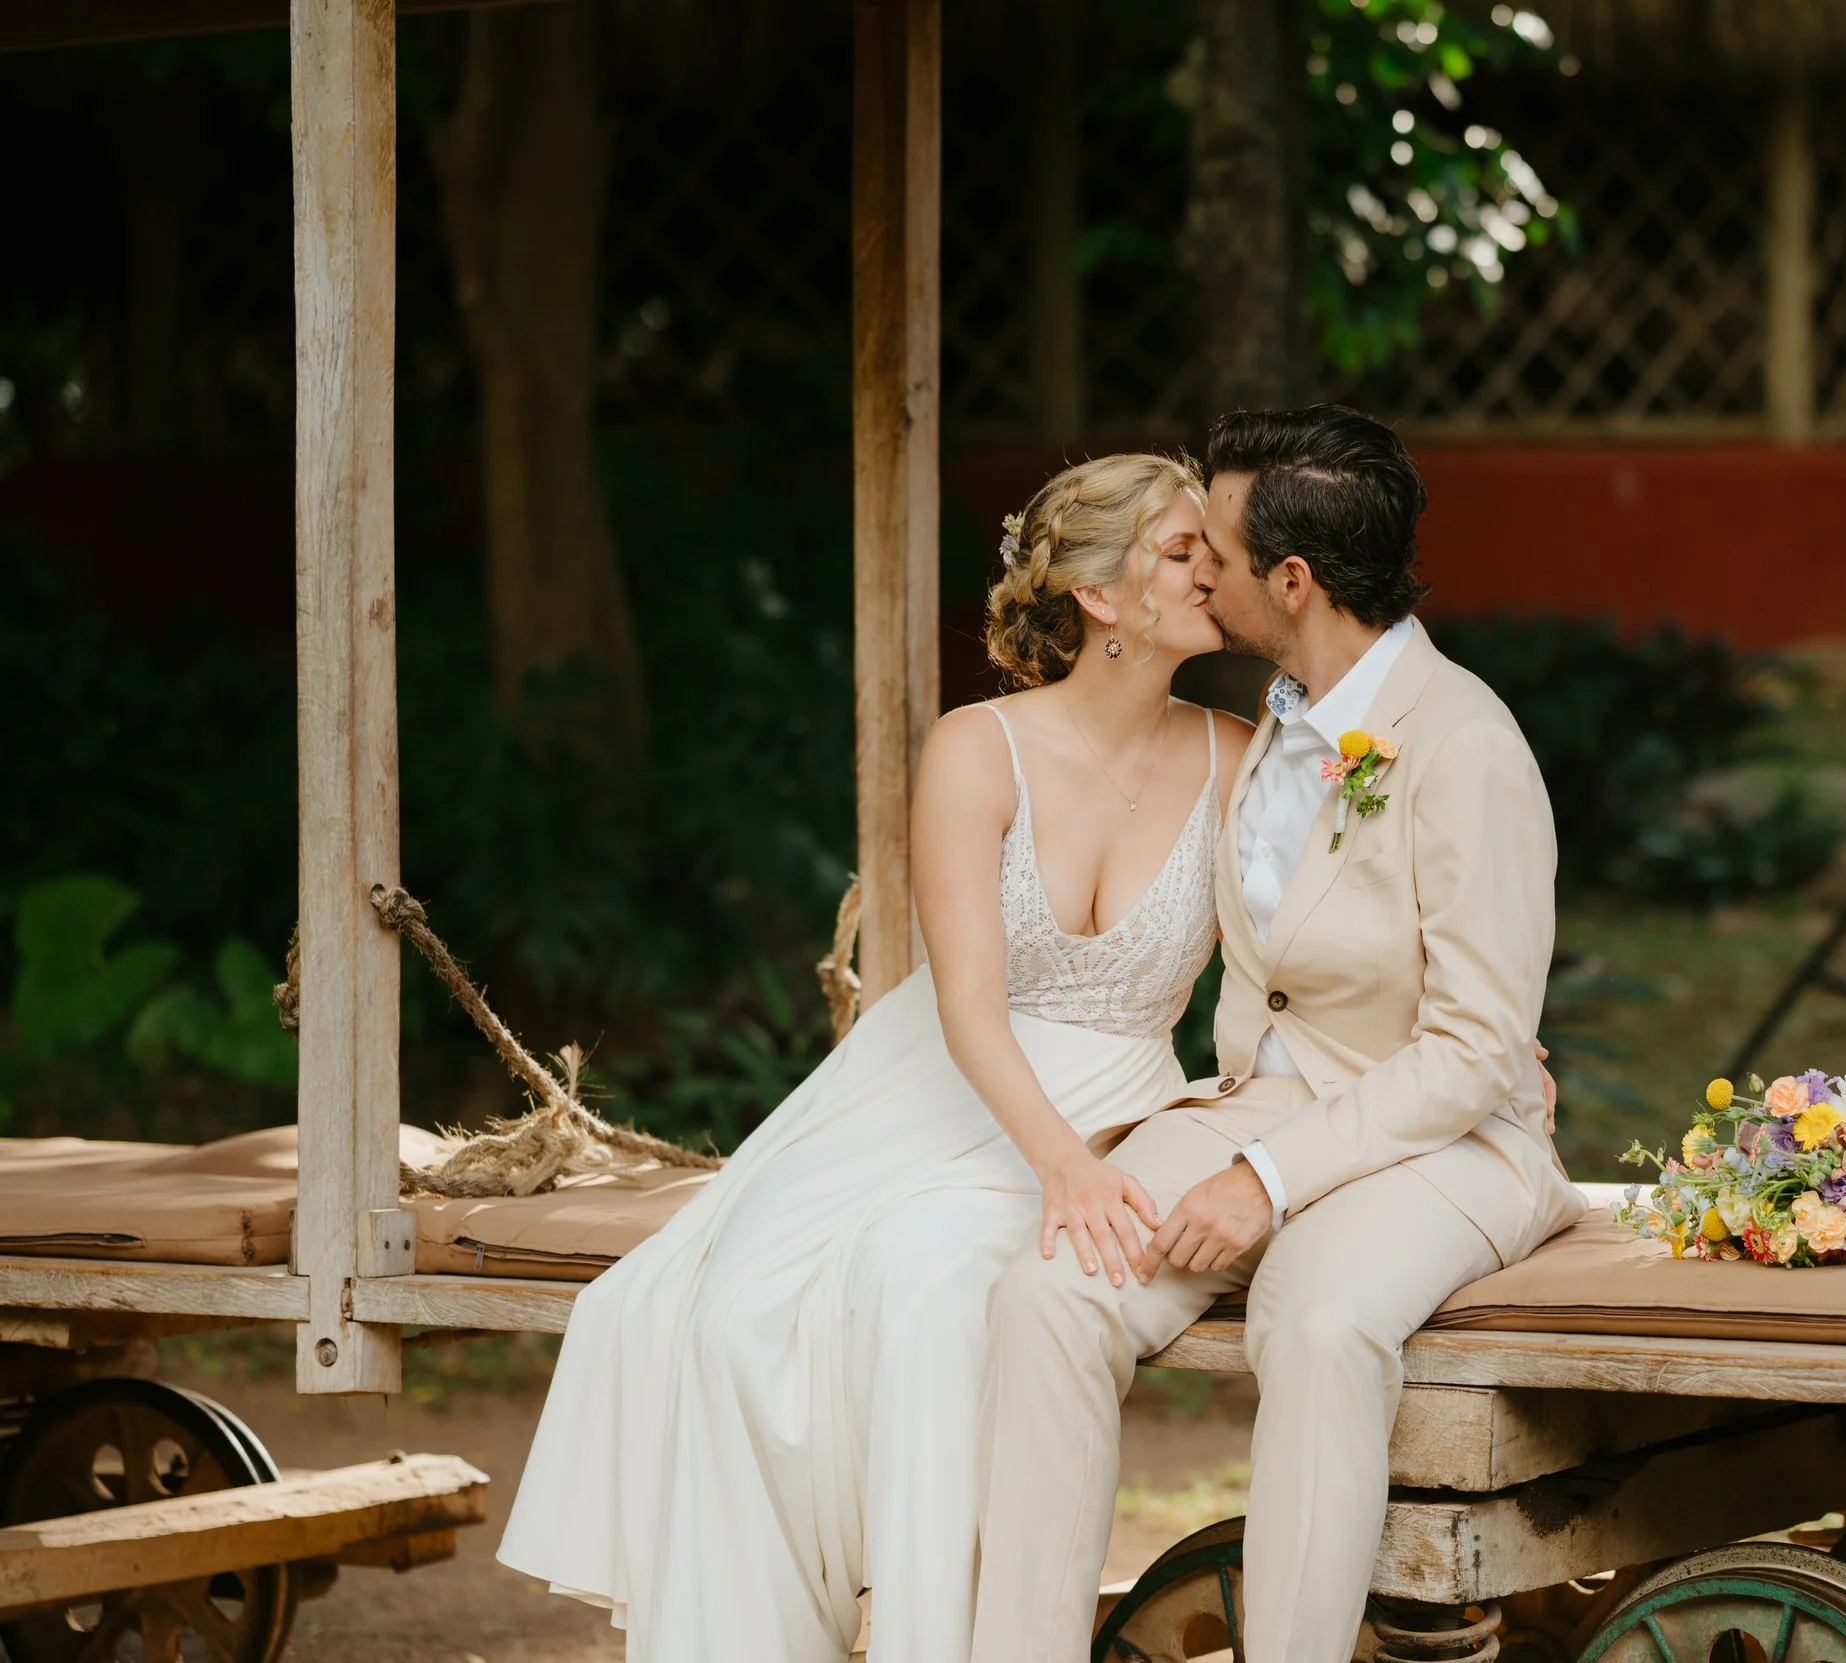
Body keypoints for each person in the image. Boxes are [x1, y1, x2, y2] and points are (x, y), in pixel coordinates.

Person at [497, 450, 1255, 1662]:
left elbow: (1330, 925)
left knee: (931, 1285)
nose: (1216, 570)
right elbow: (966, 1003)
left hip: (1125, 1091)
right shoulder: (976, 745)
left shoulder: (1238, 749)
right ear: (1102, 598)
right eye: (1183, 550)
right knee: (733, 1313)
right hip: (937, 1086)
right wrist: (1056, 1163)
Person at [969, 405, 1588, 1663]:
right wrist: (1246, 1150)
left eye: (1223, 552)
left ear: (1291, 580)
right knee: (1051, 1292)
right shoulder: (1269, 720)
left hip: (1448, 1142)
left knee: (1313, 1320)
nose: (1203, 568)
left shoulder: (1466, 743)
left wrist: (1266, 1181)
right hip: (1256, 1108)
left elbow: (1473, 1051)